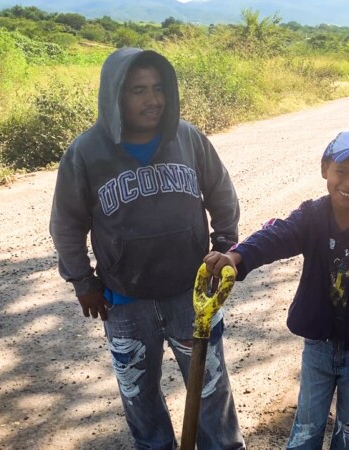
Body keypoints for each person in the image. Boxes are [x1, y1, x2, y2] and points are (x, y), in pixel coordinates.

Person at [49, 47, 245, 450]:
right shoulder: (85, 152)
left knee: (210, 388)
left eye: (158, 88)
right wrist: (82, 280)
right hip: (124, 301)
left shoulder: (188, 138)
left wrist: (225, 245)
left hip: (192, 294)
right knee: (139, 395)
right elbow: (67, 224)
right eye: (138, 89)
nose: (151, 99)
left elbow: (222, 196)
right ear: (115, 95)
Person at [204, 129, 349, 450]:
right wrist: (236, 256)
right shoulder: (312, 217)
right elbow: (276, 235)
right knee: (307, 426)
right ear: (325, 169)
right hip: (319, 348)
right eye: (341, 171)